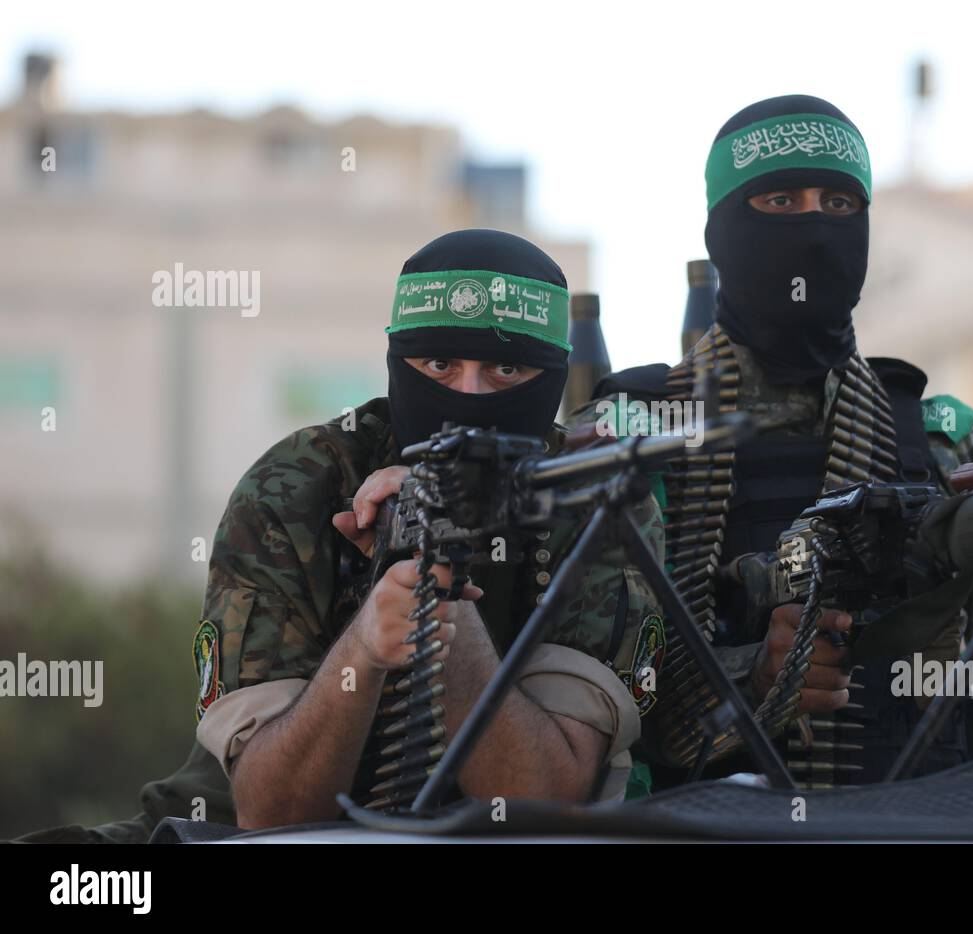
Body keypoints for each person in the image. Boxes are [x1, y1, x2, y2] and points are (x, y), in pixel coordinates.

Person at [15, 229, 662, 842]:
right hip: (215, 832)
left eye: (507, 371)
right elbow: (271, 811)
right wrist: (365, 647)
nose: (469, 396)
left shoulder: (596, 499)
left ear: (551, 378)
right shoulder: (298, 487)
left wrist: (438, 599)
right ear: (399, 363)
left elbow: (539, 799)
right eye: (439, 364)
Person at [570, 95, 973, 789]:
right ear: (723, 231)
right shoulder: (633, 439)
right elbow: (588, 699)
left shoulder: (945, 446)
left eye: (839, 204)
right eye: (781, 202)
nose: (815, 231)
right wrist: (753, 676)